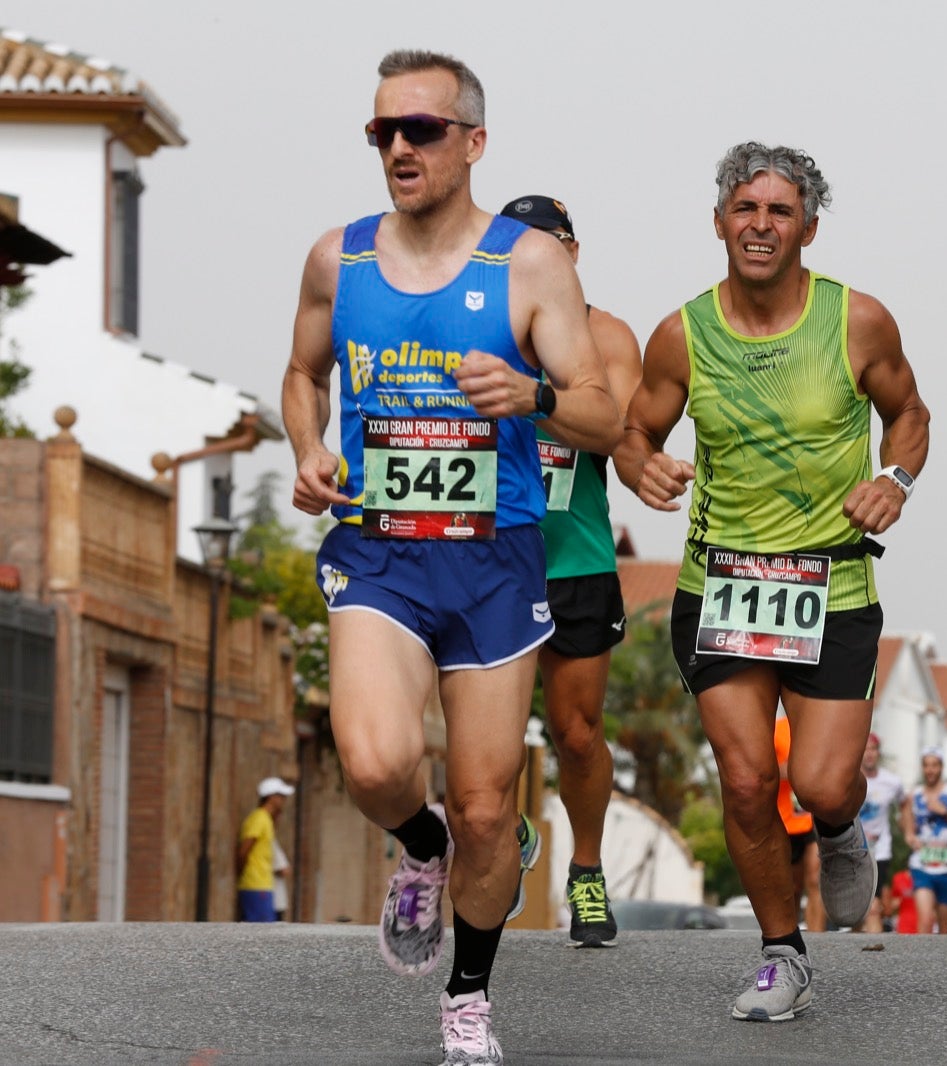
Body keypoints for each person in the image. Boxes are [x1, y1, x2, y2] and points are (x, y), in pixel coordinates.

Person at [282, 50, 622, 1065]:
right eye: (382, 131)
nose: (399, 147)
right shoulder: (336, 260)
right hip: (379, 552)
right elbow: (302, 373)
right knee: (375, 761)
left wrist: (534, 397)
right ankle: (417, 845)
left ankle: (468, 996)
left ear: (472, 143)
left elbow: (603, 414)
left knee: (486, 811)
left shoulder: (529, 264)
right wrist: (308, 447)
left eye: (420, 129)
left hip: (494, 562)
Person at [614, 141, 930, 1021]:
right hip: (722, 584)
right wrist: (641, 469)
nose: (760, 225)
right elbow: (636, 433)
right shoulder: (681, 334)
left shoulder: (857, 321)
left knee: (821, 782)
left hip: (832, 587)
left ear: (808, 228)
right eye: (745, 209)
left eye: (779, 211)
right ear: (719, 222)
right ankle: (782, 953)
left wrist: (895, 479)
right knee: (749, 779)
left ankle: (839, 824)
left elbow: (909, 413)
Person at [498, 193, 643, 948]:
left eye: (548, 244)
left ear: (572, 252)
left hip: (577, 557)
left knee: (576, 734)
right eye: (515, 243)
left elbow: (616, 429)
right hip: (492, 554)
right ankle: (507, 830)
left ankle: (585, 869)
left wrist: (529, 396)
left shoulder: (606, 335)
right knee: (483, 735)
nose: (533, 256)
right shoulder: (476, 323)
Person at [899, 748, 947, 934]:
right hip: (921, 866)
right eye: (926, 765)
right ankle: (922, 955)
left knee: (944, 928)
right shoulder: (914, 795)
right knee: (925, 921)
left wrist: (945, 812)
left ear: (941, 767)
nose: (930, 770)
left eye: (934, 765)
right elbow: (905, 819)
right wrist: (909, 836)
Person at [775, 712, 827, 932]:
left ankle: (817, 937)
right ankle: (790, 934)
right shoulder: (776, 729)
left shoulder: (818, 726)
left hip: (813, 816)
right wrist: (796, 769)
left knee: (815, 879)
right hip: (786, 820)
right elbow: (766, 768)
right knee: (792, 887)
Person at [856, 732, 904, 932]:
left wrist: (907, 829)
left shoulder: (892, 782)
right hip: (852, 850)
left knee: (873, 907)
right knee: (856, 910)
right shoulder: (848, 778)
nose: (869, 754)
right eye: (865, 749)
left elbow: (905, 803)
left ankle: (874, 948)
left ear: (879, 753)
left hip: (879, 851)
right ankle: (853, 943)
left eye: (873, 749)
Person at [237, 777, 293, 923]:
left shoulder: (266, 819)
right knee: (260, 929)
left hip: (264, 884)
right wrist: (245, 873)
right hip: (256, 884)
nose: (283, 800)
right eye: (281, 796)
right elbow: (244, 850)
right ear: (271, 797)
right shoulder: (259, 818)